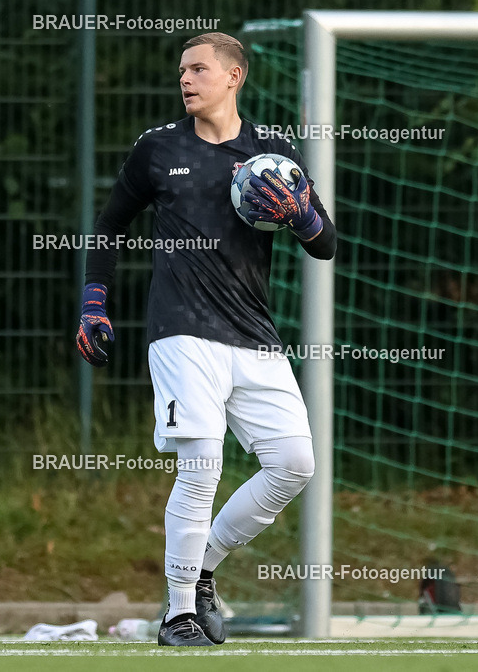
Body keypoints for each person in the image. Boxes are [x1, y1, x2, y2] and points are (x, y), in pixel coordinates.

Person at [76, 32, 336, 646]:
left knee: (295, 463)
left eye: (199, 69)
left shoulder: (273, 151)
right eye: (182, 70)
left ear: (234, 76)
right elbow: (110, 225)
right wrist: (94, 305)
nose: (186, 79)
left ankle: (204, 569)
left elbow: (325, 244)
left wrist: (301, 216)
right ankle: (178, 615)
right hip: (180, 331)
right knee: (202, 465)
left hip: (253, 334)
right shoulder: (157, 149)